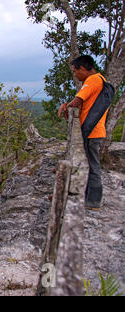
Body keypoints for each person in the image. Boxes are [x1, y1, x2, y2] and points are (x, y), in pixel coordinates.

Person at [58, 55, 110, 210]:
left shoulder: (93, 80)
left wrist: (66, 106)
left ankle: (94, 201)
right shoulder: (100, 79)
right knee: (90, 164)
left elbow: (78, 100)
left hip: (93, 132)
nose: (75, 75)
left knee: (92, 166)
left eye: (75, 71)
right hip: (95, 130)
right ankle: (89, 197)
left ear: (82, 68)